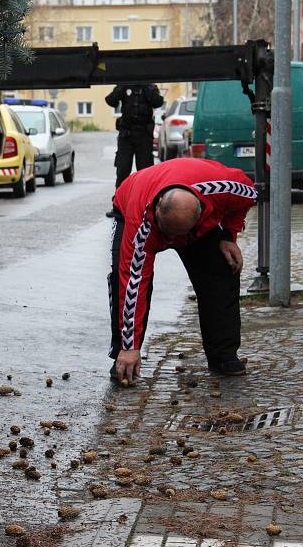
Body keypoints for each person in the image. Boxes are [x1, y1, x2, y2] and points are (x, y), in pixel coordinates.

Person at [107, 157, 258, 383]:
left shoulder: (227, 187)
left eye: (177, 235)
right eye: (169, 234)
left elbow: (246, 199)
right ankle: (124, 358)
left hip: (197, 227)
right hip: (133, 202)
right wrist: (130, 346)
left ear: (202, 210)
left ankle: (223, 355)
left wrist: (228, 236)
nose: (172, 241)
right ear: (158, 210)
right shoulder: (141, 223)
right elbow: (133, 283)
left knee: (222, 269)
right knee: (124, 282)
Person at [104, 82, 164, 217]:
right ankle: (118, 207)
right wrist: (120, 89)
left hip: (143, 136)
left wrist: (149, 90)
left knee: (146, 172)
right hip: (127, 135)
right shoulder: (125, 85)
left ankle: (148, 205)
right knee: (122, 170)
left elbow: (158, 102)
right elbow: (110, 100)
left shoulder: (149, 87)